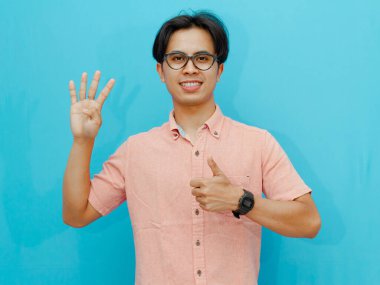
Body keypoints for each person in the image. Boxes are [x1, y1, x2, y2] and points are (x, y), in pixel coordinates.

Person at [63, 11, 321, 285]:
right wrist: (83, 141)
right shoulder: (135, 150)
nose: (190, 69)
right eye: (177, 59)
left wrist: (241, 201)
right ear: (161, 71)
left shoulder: (258, 142)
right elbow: (76, 214)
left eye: (202, 58)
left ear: (219, 70)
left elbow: (309, 222)